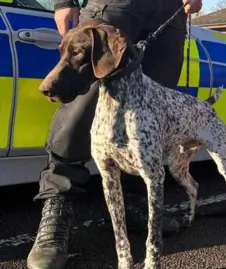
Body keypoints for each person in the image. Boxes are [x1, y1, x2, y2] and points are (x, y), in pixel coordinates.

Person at [26, 0, 202, 268]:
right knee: (81, 107)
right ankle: (58, 206)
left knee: (149, 115)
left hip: (170, 11)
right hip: (117, 5)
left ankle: (133, 203)